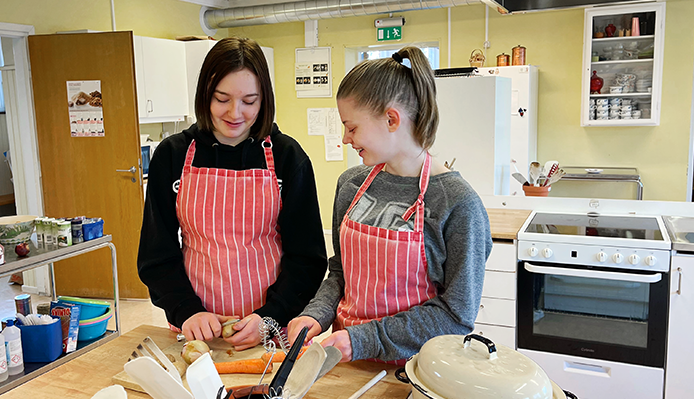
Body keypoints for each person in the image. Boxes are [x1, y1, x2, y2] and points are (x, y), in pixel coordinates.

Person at [287, 46, 492, 363]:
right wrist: (316, 315)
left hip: (417, 372)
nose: (345, 138)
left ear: (392, 119)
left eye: (352, 127)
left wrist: (364, 339)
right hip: (346, 362)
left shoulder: (458, 204)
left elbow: (456, 316)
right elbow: (341, 273)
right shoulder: (351, 185)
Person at [138, 37, 327, 351]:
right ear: (204, 95)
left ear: (264, 99)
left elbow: (307, 258)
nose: (234, 113)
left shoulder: (287, 156)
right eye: (221, 98)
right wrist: (187, 309)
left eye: (249, 101)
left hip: (269, 333)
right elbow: (157, 255)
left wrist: (270, 316)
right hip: (195, 332)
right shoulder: (172, 156)